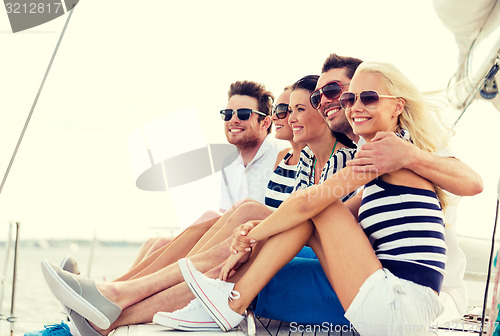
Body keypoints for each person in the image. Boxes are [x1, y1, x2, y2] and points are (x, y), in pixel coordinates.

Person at [33, 76, 358, 336]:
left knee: (239, 217)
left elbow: (313, 218)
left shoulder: (331, 159)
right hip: (281, 240)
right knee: (175, 237)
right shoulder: (301, 163)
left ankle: (110, 306)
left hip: (300, 250)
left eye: (306, 105)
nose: (286, 117)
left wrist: (248, 231)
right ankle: (108, 297)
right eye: (227, 114)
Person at [166, 61, 467, 335]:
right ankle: (227, 300)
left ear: (397, 106)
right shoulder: (391, 157)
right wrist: (255, 233)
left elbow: (312, 203)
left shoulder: (388, 150)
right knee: (312, 211)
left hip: (401, 305)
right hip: (400, 306)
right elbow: (323, 215)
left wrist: (250, 237)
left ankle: (230, 304)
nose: (355, 107)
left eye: (369, 98)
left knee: (319, 204)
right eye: (351, 99)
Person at [130, 80, 288, 266]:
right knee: (154, 243)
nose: (233, 120)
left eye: (244, 114)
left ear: (265, 122)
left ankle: (117, 291)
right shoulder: (229, 165)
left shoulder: (282, 155)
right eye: (228, 114)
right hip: (227, 240)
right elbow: (223, 217)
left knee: (194, 225)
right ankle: (115, 289)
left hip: (256, 243)